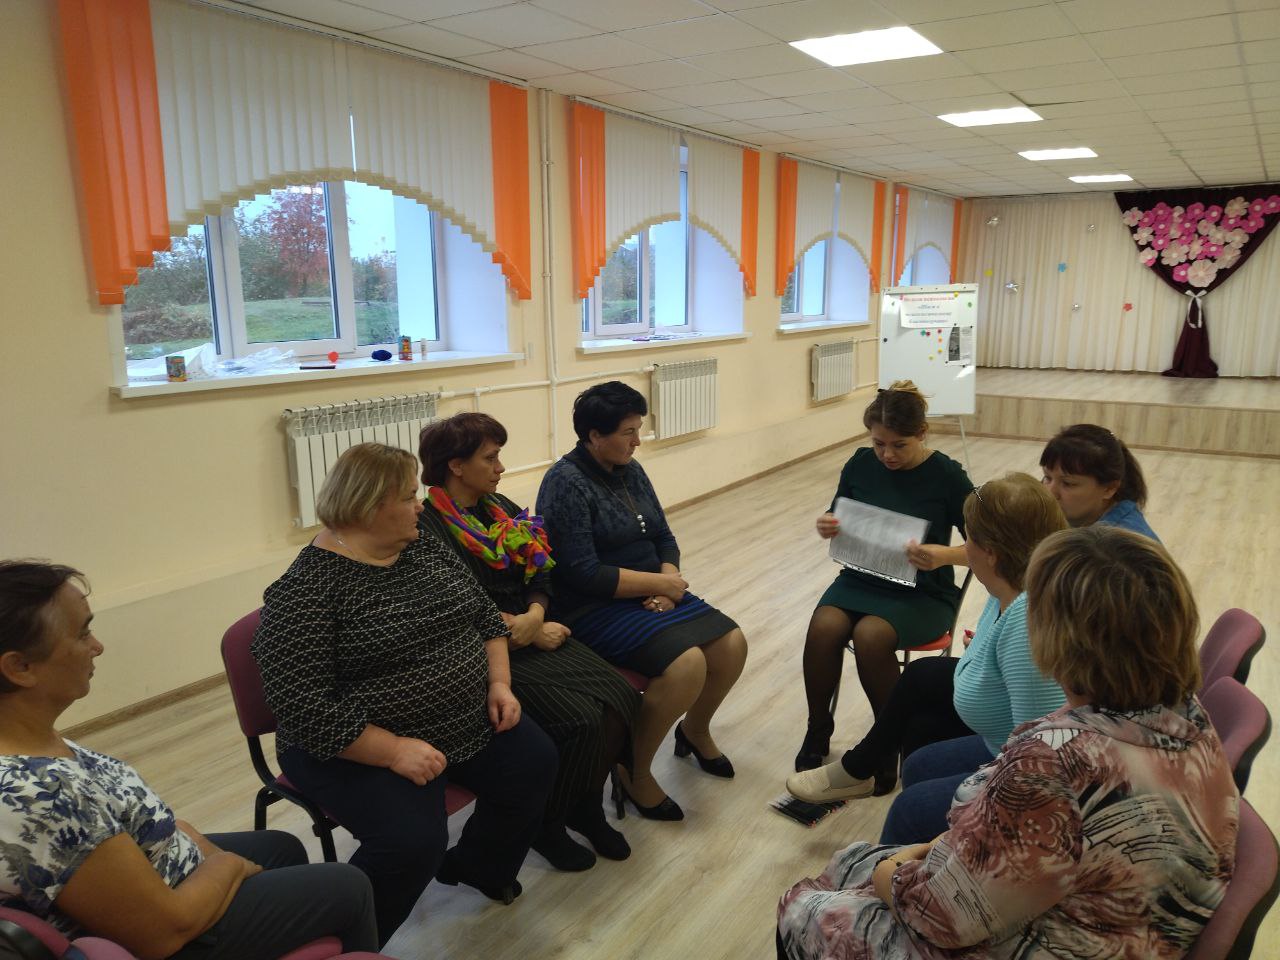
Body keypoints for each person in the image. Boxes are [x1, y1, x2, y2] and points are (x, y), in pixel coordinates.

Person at [777, 526, 1238, 960]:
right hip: (1129, 928)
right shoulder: (1186, 713)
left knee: (803, 907)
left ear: (1056, 638)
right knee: (853, 862)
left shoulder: (1054, 763)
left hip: (1061, 939)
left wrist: (891, 874)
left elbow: (940, 919)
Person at [253, 443, 556, 947]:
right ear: (369, 506)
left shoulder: (420, 548)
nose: (420, 506)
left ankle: (476, 866)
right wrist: (393, 750)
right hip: (351, 747)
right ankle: (343, 947)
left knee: (533, 762)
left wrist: (499, 684)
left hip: (458, 720)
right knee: (410, 843)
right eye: (409, 497)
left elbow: (484, 617)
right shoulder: (306, 590)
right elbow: (304, 707)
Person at [0, 561, 380, 960]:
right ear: (19, 667)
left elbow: (106, 822)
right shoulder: (40, 797)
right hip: (173, 935)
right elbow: (163, 932)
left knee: (281, 848)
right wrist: (225, 866)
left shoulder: (31, 741)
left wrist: (183, 835)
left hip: (161, 871)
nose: (97, 646)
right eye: (82, 633)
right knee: (348, 887)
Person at [418, 412, 641, 869]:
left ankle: (585, 807)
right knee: (581, 719)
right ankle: (547, 824)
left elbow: (539, 569)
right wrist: (529, 629)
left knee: (621, 699)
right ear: (456, 466)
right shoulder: (428, 529)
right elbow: (455, 606)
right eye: (490, 458)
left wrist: (536, 614)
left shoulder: (497, 506)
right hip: (484, 651)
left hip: (529, 630)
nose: (500, 467)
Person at [786, 472, 1067, 807]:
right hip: (1003, 738)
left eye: (969, 540)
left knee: (908, 808)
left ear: (991, 553)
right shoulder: (1009, 586)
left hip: (1018, 768)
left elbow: (1037, 755)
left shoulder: (1025, 625)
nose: (964, 549)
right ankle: (860, 767)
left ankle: (879, 785)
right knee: (922, 683)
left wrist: (977, 805)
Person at [536, 381, 748, 822]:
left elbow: (664, 536)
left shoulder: (629, 468)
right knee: (686, 664)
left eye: (638, 429)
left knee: (732, 644)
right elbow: (583, 572)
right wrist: (661, 584)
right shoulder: (565, 482)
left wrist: (667, 583)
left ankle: (694, 730)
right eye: (628, 432)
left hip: (650, 589)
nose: (637, 441)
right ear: (595, 435)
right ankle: (634, 769)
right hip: (593, 606)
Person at [796, 381, 973, 781]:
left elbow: (987, 546)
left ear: (922, 434)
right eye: (878, 444)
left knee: (871, 635)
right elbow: (838, 512)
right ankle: (818, 727)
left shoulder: (947, 475)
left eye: (899, 445)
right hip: (862, 577)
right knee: (823, 626)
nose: (887, 454)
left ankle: (887, 741)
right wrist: (828, 524)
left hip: (922, 591)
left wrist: (943, 555)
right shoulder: (860, 463)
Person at [1040, 423, 1158, 539]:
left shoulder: (1122, 545)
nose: (1050, 493)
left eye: (1068, 483)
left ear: (1109, 488)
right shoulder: (1077, 516)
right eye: (1047, 478)